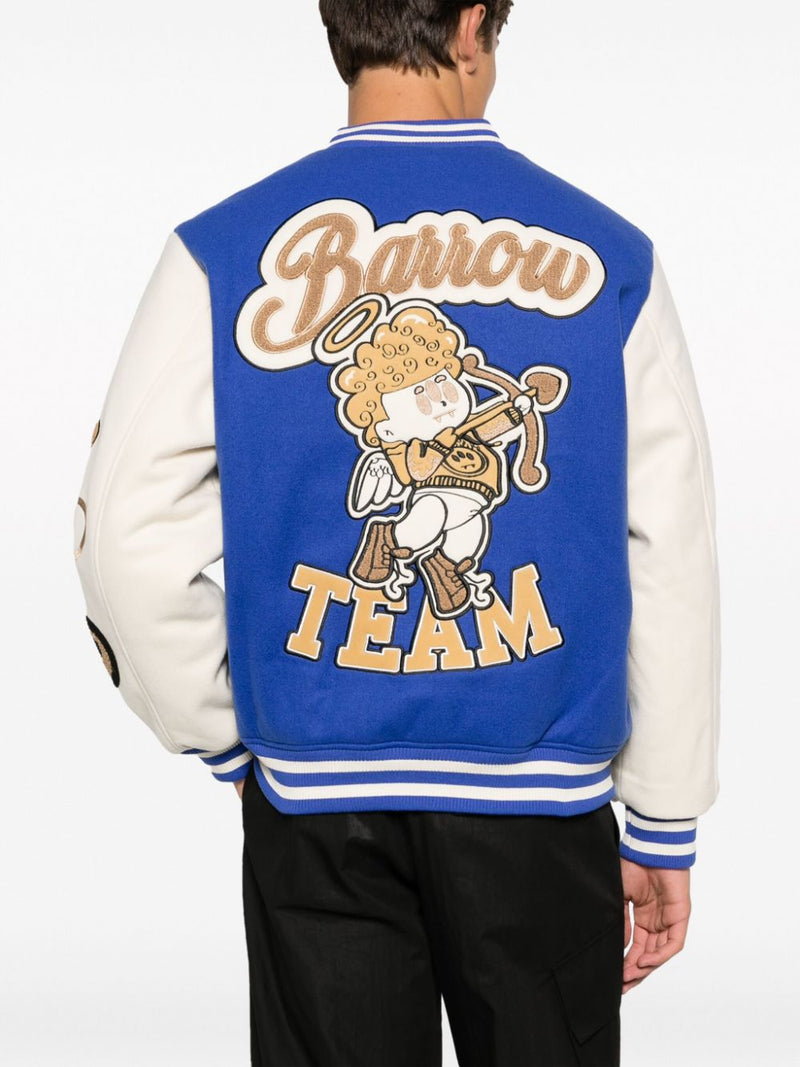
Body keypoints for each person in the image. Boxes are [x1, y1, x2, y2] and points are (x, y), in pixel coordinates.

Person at [72, 2, 721, 1064]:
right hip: (539, 790)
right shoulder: (611, 256)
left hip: (318, 796)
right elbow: (671, 548)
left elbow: (123, 538)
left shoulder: (217, 252)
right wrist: (662, 813)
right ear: (471, 26)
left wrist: (228, 728)